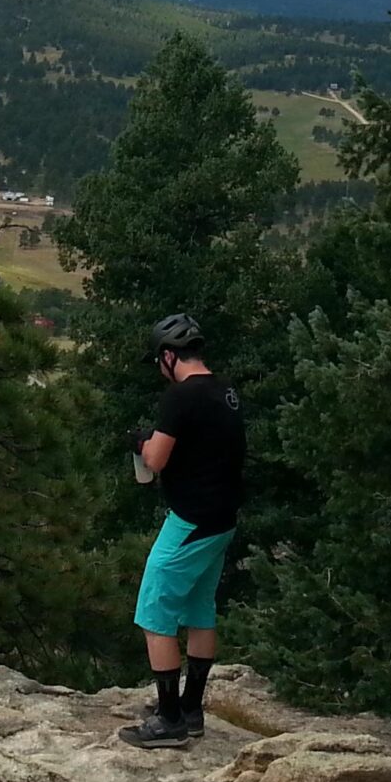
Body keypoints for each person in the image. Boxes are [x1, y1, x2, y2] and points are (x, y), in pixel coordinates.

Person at [115, 312, 245, 749]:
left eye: (159, 360)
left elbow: (155, 461)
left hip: (190, 520)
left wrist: (140, 442)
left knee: (154, 612)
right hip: (222, 520)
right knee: (199, 609)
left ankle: (169, 719)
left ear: (169, 356)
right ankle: (192, 708)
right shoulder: (226, 391)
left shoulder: (180, 397)